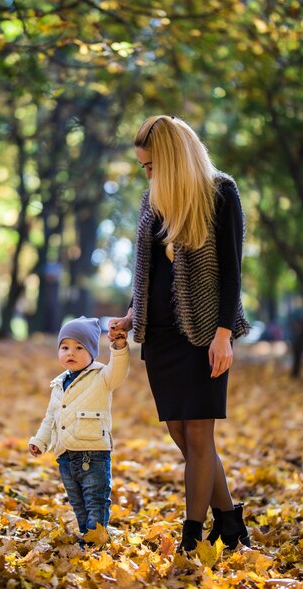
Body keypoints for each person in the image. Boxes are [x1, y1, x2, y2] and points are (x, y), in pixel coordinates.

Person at [108, 115, 251, 553]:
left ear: (172, 158)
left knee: (199, 436)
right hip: (162, 337)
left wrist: (224, 334)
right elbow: (145, 273)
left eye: (151, 165)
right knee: (178, 432)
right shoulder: (152, 201)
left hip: (205, 334)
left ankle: (190, 539)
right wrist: (132, 316)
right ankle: (229, 525)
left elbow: (231, 271)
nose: (146, 174)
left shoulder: (220, 192)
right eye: (142, 167)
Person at [29, 316, 129, 546]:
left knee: (95, 499)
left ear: (92, 351)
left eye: (78, 347)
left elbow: (119, 371)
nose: (70, 353)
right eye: (65, 347)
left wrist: (120, 347)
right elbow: (50, 418)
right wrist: (40, 441)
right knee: (78, 503)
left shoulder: (102, 376)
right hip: (65, 455)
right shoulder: (59, 383)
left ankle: (95, 541)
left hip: (93, 453)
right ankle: (88, 535)